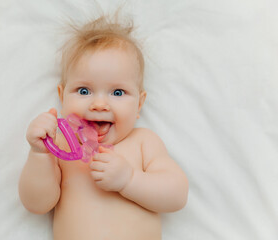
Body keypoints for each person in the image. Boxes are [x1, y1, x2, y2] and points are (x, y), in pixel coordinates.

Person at [19, 13, 189, 240]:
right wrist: (39, 154)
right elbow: (37, 204)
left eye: (117, 92)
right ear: (62, 96)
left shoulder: (143, 142)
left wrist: (129, 180)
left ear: (139, 103)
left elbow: (176, 196)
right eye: (84, 91)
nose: (99, 104)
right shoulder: (61, 144)